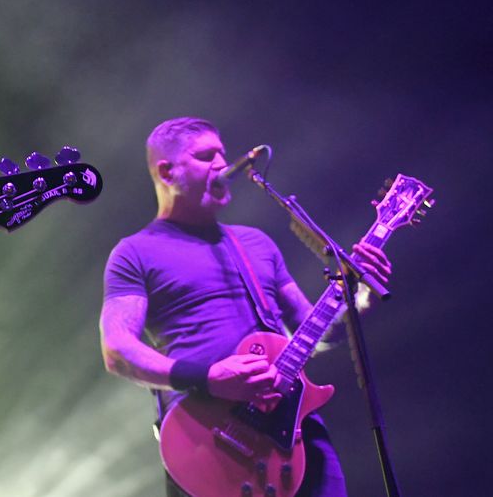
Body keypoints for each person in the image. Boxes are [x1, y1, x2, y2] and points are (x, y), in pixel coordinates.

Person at [99, 117, 391, 496]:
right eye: (206, 156)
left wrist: (360, 291)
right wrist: (207, 377)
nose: (223, 164)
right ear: (167, 171)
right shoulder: (135, 253)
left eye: (222, 153)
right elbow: (117, 351)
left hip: (294, 432)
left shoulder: (256, 243)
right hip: (210, 443)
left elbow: (315, 331)